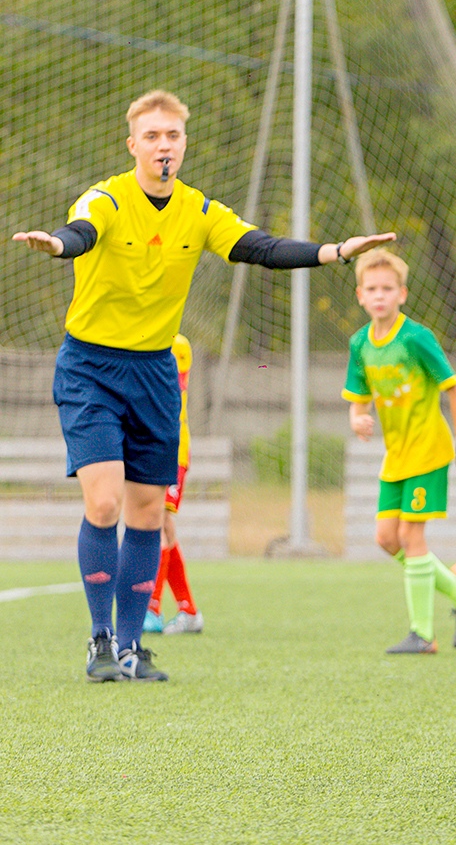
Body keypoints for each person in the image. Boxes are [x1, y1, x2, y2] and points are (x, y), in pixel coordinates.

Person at [11, 89, 395, 682]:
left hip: (156, 372)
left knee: (146, 513)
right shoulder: (106, 197)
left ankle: (135, 648)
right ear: (132, 142)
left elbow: (263, 248)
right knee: (105, 501)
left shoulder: (201, 210)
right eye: (153, 136)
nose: (164, 145)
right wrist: (58, 245)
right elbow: (82, 231)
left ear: (183, 144)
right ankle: (101, 640)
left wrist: (338, 251)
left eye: (174, 136)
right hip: (90, 367)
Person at [343, 248, 456, 654]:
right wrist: (358, 418)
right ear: (360, 295)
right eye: (372, 289)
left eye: (388, 288)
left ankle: (422, 635)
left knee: (411, 536)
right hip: (397, 455)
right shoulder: (361, 344)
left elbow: (453, 387)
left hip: (429, 449)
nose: (380, 296)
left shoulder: (416, 338)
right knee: (387, 539)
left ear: (402, 294)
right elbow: (359, 397)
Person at [143, 332, 204, 636]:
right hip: (152, 447)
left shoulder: (177, 344)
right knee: (165, 526)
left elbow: (167, 392)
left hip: (172, 449)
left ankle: (151, 608)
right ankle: (188, 610)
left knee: (159, 521)